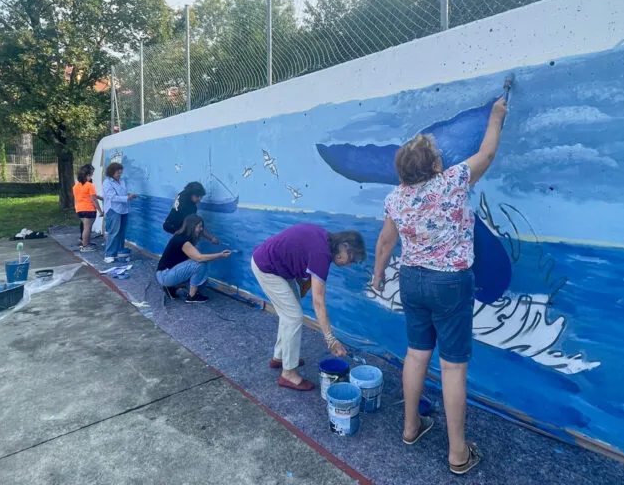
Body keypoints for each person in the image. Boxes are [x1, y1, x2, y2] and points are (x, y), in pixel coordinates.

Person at [372, 97, 508, 475]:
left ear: (402, 174)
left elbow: (385, 242)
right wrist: (496, 115)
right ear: (436, 166)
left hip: (411, 279)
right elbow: (488, 152)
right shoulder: (453, 181)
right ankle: (458, 453)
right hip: (449, 283)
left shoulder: (395, 197)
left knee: (416, 355)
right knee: (452, 369)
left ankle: (411, 427)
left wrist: (378, 273)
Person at [251, 224, 366, 391]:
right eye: (352, 258)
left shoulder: (325, 239)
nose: (349, 264)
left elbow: (297, 254)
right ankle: (288, 374)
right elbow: (318, 302)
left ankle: (281, 357)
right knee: (293, 316)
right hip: (267, 267)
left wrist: (302, 281)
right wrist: (331, 340)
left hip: (273, 263)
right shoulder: (322, 254)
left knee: (289, 313)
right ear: (345, 247)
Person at [156, 214, 230, 303]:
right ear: (192, 227)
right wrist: (220, 255)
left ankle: (173, 286)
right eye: (200, 226)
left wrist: (211, 238)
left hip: (165, 273)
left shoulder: (181, 236)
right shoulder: (183, 241)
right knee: (201, 263)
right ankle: (192, 296)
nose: (202, 229)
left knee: (202, 283)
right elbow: (200, 258)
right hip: (165, 275)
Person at [102, 162, 136, 263]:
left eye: (120, 173)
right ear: (112, 173)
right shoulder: (107, 182)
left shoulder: (121, 181)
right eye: (118, 173)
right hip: (113, 210)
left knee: (121, 232)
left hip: (123, 209)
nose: (119, 175)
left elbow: (123, 193)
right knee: (114, 232)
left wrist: (128, 195)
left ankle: (119, 252)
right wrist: (127, 198)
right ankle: (109, 254)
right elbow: (112, 197)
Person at [73, 164, 103, 252]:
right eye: (91, 174)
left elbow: (84, 196)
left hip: (80, 210)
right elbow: (93, 199)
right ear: (87, 175)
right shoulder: (90, 185)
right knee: (87, 228)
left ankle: (87, 243)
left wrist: (101, 198)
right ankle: (85, 246)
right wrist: (100, 211)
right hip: (89, 209)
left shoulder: (76, 186)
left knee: (86, 227)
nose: (92, 176)